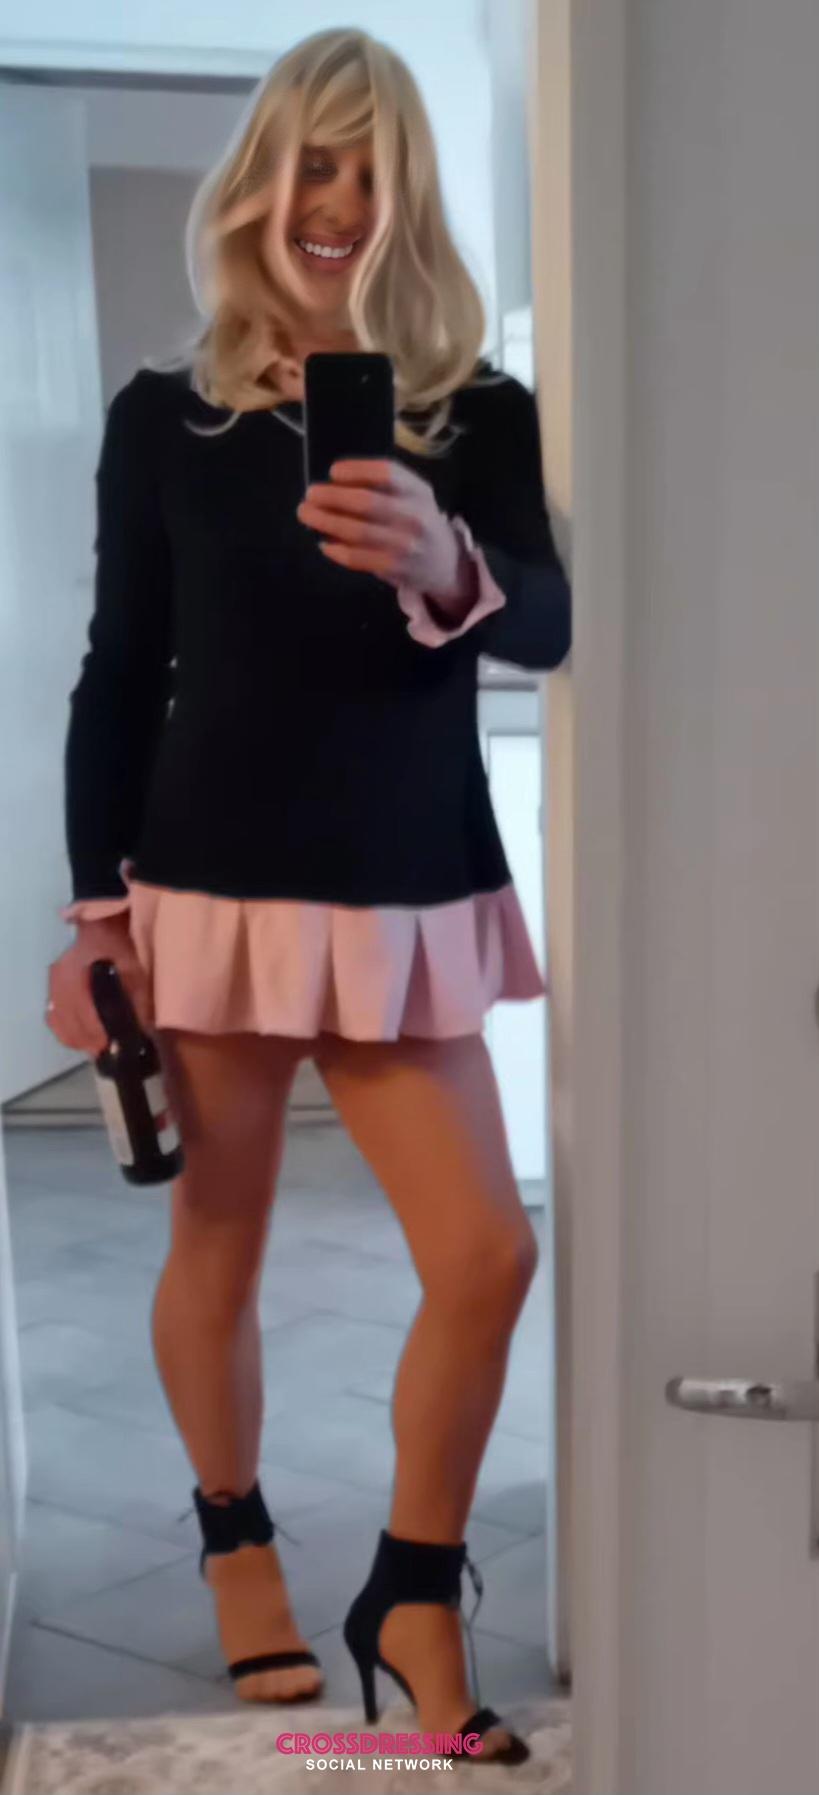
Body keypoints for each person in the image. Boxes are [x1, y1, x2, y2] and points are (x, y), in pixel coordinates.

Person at [45, 26, 570, 1767]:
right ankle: (236, 1540)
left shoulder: (480, 414)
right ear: (256, 182)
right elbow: (118, 670)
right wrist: (96, 925)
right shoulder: (167, 416)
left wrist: (449, 558)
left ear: (406, 194)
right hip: (207, 888)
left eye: (369, 167)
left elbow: (554, 622)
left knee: (487, 1254)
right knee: (223, 1236)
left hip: (405, 888)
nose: (335, 201)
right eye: (308, 161)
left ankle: (412, 1589)